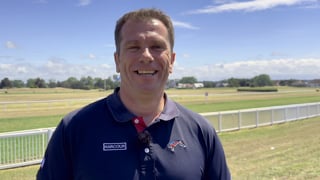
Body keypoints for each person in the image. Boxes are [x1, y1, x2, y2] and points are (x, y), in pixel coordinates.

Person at [37, 8, 231, 179]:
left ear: (171, 60)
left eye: (156, 46)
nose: (146, 56)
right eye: (133, 47)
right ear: (117, 60)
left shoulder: (200, 130)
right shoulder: (74, 128)